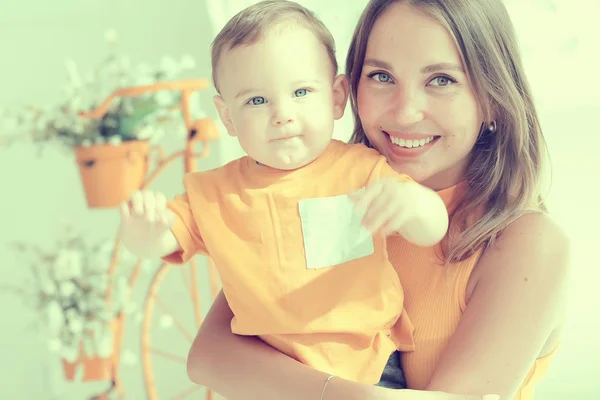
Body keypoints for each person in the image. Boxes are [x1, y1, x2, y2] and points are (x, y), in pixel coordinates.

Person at [185, 1, 571, 400]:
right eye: (382, 76)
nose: (405, 112)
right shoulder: (325, 194)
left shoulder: (528, 244)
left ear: (492, 97)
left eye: (441, 80)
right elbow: (209, 356)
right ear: (347, 87)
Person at [119, 0, 451, 390]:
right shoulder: (212, 194)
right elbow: (162, 239)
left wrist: (414, 206)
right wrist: (144, 229)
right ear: (228, 117)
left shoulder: (361, 169)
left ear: (337, 97)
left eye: (300, 92)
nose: (282, 114)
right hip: (270, 378)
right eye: (257, 101)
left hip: (369, 368)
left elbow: (432, 229)